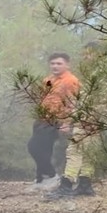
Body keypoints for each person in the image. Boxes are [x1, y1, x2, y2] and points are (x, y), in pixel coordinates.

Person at [56, 43, 107, 197]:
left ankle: (66, 186)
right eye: (84, 54)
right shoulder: (100, 70)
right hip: (90, 117)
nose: (85, 57)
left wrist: (93, 119)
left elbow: (106, 99)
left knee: (75, 150)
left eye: (88, 54)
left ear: (98, 54)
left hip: (91, 118)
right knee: (88, 151)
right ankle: (85, 185)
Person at [27, 52, 80, 188]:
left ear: (67, 65)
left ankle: (51, 176)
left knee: (35, 147)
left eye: (59, 63)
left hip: (56, 120)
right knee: (42, 149)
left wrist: (67, 122)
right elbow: (44, 98)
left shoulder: (70, 81)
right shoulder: (49, 80)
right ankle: (41, 179)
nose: (55, 66)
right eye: (52, 63)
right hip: (42, 119)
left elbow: (72, 103)